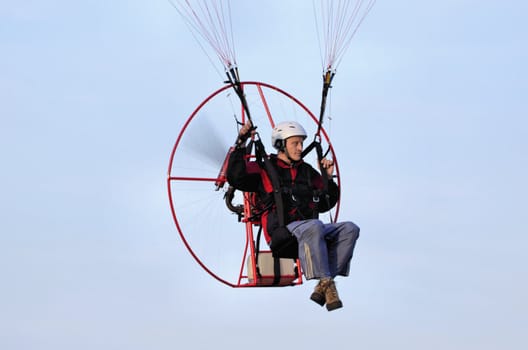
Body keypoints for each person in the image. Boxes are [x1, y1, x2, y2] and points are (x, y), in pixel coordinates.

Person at [227, 120, 360, 311]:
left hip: (311, 234)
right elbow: (236, 176)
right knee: (314, 225)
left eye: (301, 144)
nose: (300, 148)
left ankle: (325, 283)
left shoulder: (307, 172)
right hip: (283, 235)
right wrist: (241, 142)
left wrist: (328, 179)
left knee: (350, 229)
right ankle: (326, 281)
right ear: (281, 145)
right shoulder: (265, 168)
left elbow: (325, 203)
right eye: (295, 144)